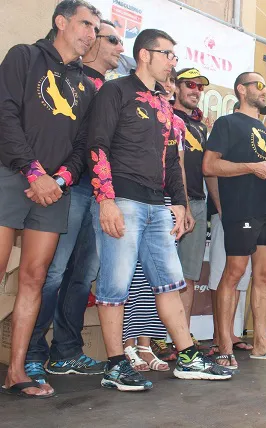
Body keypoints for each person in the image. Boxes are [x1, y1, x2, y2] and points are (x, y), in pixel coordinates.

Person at [88, 28, 233, 391]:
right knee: (115, 286)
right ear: (144, 54)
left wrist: (180, 204)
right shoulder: (115, 91)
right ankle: (115, 366)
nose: (172, 62)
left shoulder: (163, 105)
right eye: (167, 54)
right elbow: (98, 144)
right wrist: (105, 199)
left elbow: (171, 160)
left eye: (173, 55)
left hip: (158, 206)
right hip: (122, 200)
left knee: (170, 282)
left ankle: (187, 356)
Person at [0, 0, 101, 398]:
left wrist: (58, 179)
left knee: (35, 278)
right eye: (86, 24)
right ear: (61, 22)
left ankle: (16, 372)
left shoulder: (86, 85)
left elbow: (83, 146)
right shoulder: (24, 56)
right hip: (11, 176)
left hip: (54, 191)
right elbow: (5, 114)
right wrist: (33, 172)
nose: (91, 34)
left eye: (96, 29)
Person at [23, 18, 124, 391]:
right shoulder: (69, 79)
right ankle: (31, 354)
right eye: (112, 39)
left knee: (83, 275)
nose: (119, 47)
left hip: (101, 195)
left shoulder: (115, 90)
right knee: (50, 273)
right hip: (67, 188)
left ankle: (65, 351)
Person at [202, 71, 266, 367]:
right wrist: (252, 167)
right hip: (241, 208)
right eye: (259, 85)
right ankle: (224, 344)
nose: (264, 91)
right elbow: (209, 166)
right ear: (242, 90)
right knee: (234, 273)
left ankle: (261, 343)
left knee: (264, 277)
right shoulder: (227, 123)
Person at [121, 70, 187, 373]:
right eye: (166, 80)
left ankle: (145, 345)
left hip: (164, 203)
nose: (169, 86)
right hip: (133, 197)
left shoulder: (176, 121)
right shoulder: (132, 104)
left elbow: (177, 166)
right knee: (131, 277)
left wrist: (182, 204)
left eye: (173, 82)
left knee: (155, 281)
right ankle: (126, 345)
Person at [205, 102, 254, 357]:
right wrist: (221, 207)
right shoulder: (224, 129)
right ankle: (219, 336)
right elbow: (210, 172)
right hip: (226, 215)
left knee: (237, 278)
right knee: (221, 278)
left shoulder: (251, 143)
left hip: (246, 216)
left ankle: (230, 333)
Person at [171, 68, 210, 332]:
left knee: (188, 276)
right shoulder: (164, 115)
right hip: (169, 202)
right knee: (158, 276)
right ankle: (153, 338)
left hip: (197, 203)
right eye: (190, 85)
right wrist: (181, 203)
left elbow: (207, 170)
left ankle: (182, 338)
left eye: (200, 87)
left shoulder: (201, 126)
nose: (196, 90)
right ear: (176, 87)